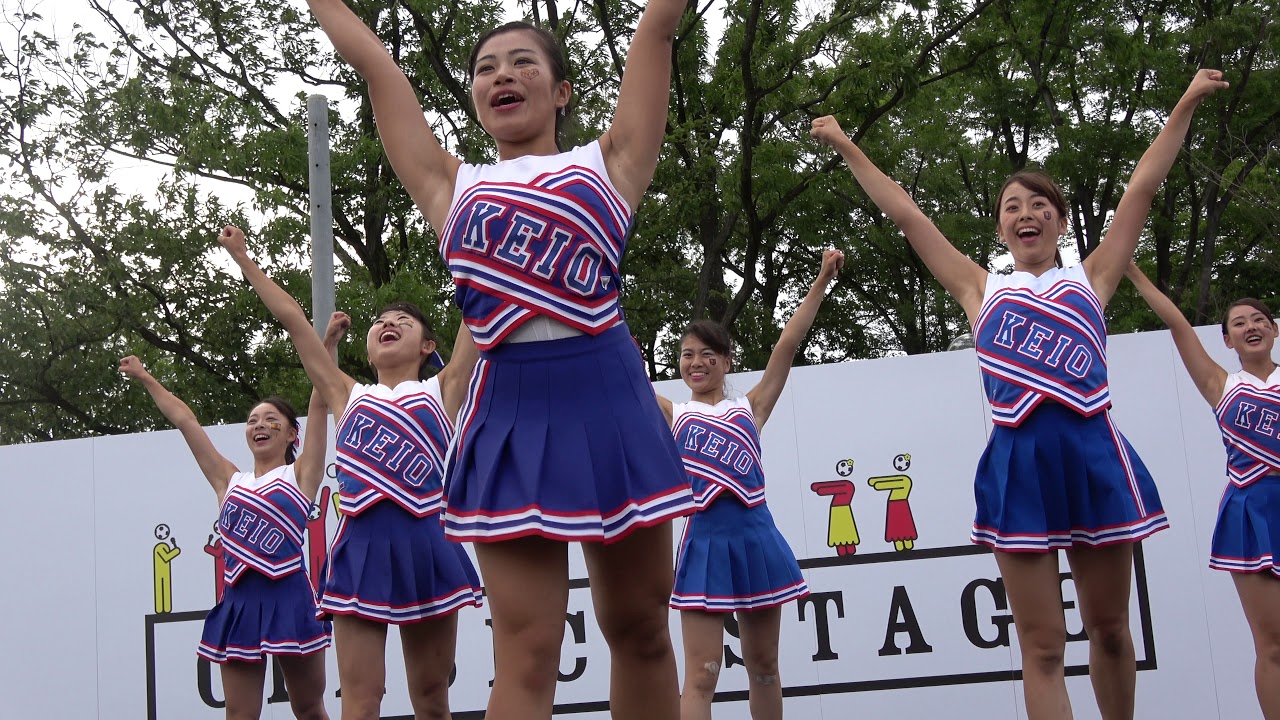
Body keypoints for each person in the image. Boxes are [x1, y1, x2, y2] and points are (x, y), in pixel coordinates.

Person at [304, 1, 695, 717]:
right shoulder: (451, 185)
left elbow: (657, 26)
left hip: (608, 395)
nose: (501, 76)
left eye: (522, 63)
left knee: (640, 631)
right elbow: (377, 65)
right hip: (509, 411)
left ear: (562, 90)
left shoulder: (610, 163)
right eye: (485, 68)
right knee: (527, 650)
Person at [810, 69, 1228, 720]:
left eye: (1040, 205)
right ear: (1001, 228)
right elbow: (906, 212)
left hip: (1093, 457)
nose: (1026, 214)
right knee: (1041, 645)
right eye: (1013, 206)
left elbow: (1143, 188)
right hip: (1019, 467)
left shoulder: (1092, 279)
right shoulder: (981, 290)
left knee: (1111, 629)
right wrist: (844, 143)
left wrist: (1185, 102)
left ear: (1059, 221)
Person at [216, 226, 481, 720]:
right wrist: (244, 259)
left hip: (427, 545)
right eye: (381, 319)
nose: (389, 323)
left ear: (427, 346)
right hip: (360, 551)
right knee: (360, 703)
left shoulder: (443, 390)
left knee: (431, 698)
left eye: (403, 320)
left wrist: (480, 240)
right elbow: (294, 321)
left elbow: (477, 310)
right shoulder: (346, 394)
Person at [118, 312, 346, 720]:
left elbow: (319, 397)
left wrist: (327, 343)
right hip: (239, 602)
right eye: (253, 420)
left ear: (292, 434)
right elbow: (186, 420)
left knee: (309, 708)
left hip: (290, 598)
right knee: (240, 716)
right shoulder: (230, 480)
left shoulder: (301, 474)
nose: (260, 425)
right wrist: (147, 377)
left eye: (271, 419)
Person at [655, 249, 842, 720]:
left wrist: (820, 279)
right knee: (702, 673)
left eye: (706, 355)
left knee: (764, 668)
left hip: (757, 541)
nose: (695, 363)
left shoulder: (749, 408)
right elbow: (620, 380)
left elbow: (787, 345)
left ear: (726, 360)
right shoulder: (673, 413)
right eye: (686, 355)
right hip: (704, 545)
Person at [1127, 263, 1280, 719]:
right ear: (1227, 341)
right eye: (1239, 323)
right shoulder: (1221, 385)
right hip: (1250, 512)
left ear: (1273, 330)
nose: (1251, 326)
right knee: (1271, 644)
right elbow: (1177, 325)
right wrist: (1132, 272)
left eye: (1259, 320)